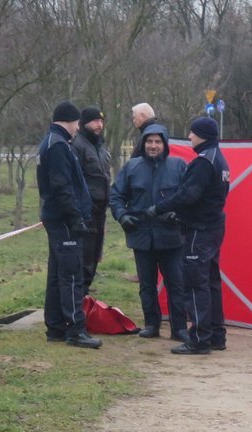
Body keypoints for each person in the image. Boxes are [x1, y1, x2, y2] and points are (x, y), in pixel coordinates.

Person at [147, 117, 229, 355]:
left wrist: (160, 208)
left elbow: (188, 195)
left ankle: (199, 339)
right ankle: (215, 334)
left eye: (193, 133)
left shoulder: (203, 162)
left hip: (199, 230)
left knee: (195, 283)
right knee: (211, 281)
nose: (190, 137)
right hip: (213, 227)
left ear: (203, 135)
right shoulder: (219, 159)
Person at [109, 123, 189, 341]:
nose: (153, 146)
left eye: (157, 142)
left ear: (165, 144)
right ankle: (151, 324)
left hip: (171, 236)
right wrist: (122, 216)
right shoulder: (132, 167)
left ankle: (179, 327)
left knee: (176, 283)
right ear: (143, 143)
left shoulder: (178, 166)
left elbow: (189, 197)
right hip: (141, 235)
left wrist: (179, 215)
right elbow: (116, 196)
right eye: (149, 141)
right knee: (147, 284)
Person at [37, 100, 102, 349]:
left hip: (58, 218)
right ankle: (76, 329)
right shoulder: (58, 147)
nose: (77, 128)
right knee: (72, 274)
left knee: (57, 274)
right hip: (65, 221)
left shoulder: (55, 143)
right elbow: (62, 186)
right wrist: (75, 217)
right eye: (76, 123)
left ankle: (55, 326)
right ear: (69, 121)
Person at [71, 106, 112, 293]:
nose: (99, 125)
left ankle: (84, 294)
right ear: (84, 123)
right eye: (95, 121)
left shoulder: (101, 149)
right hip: (85, 211)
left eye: (101, 121)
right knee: (84, 258)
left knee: (94, 257)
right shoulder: (77, 146)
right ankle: (79, 297)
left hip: (100, 211)